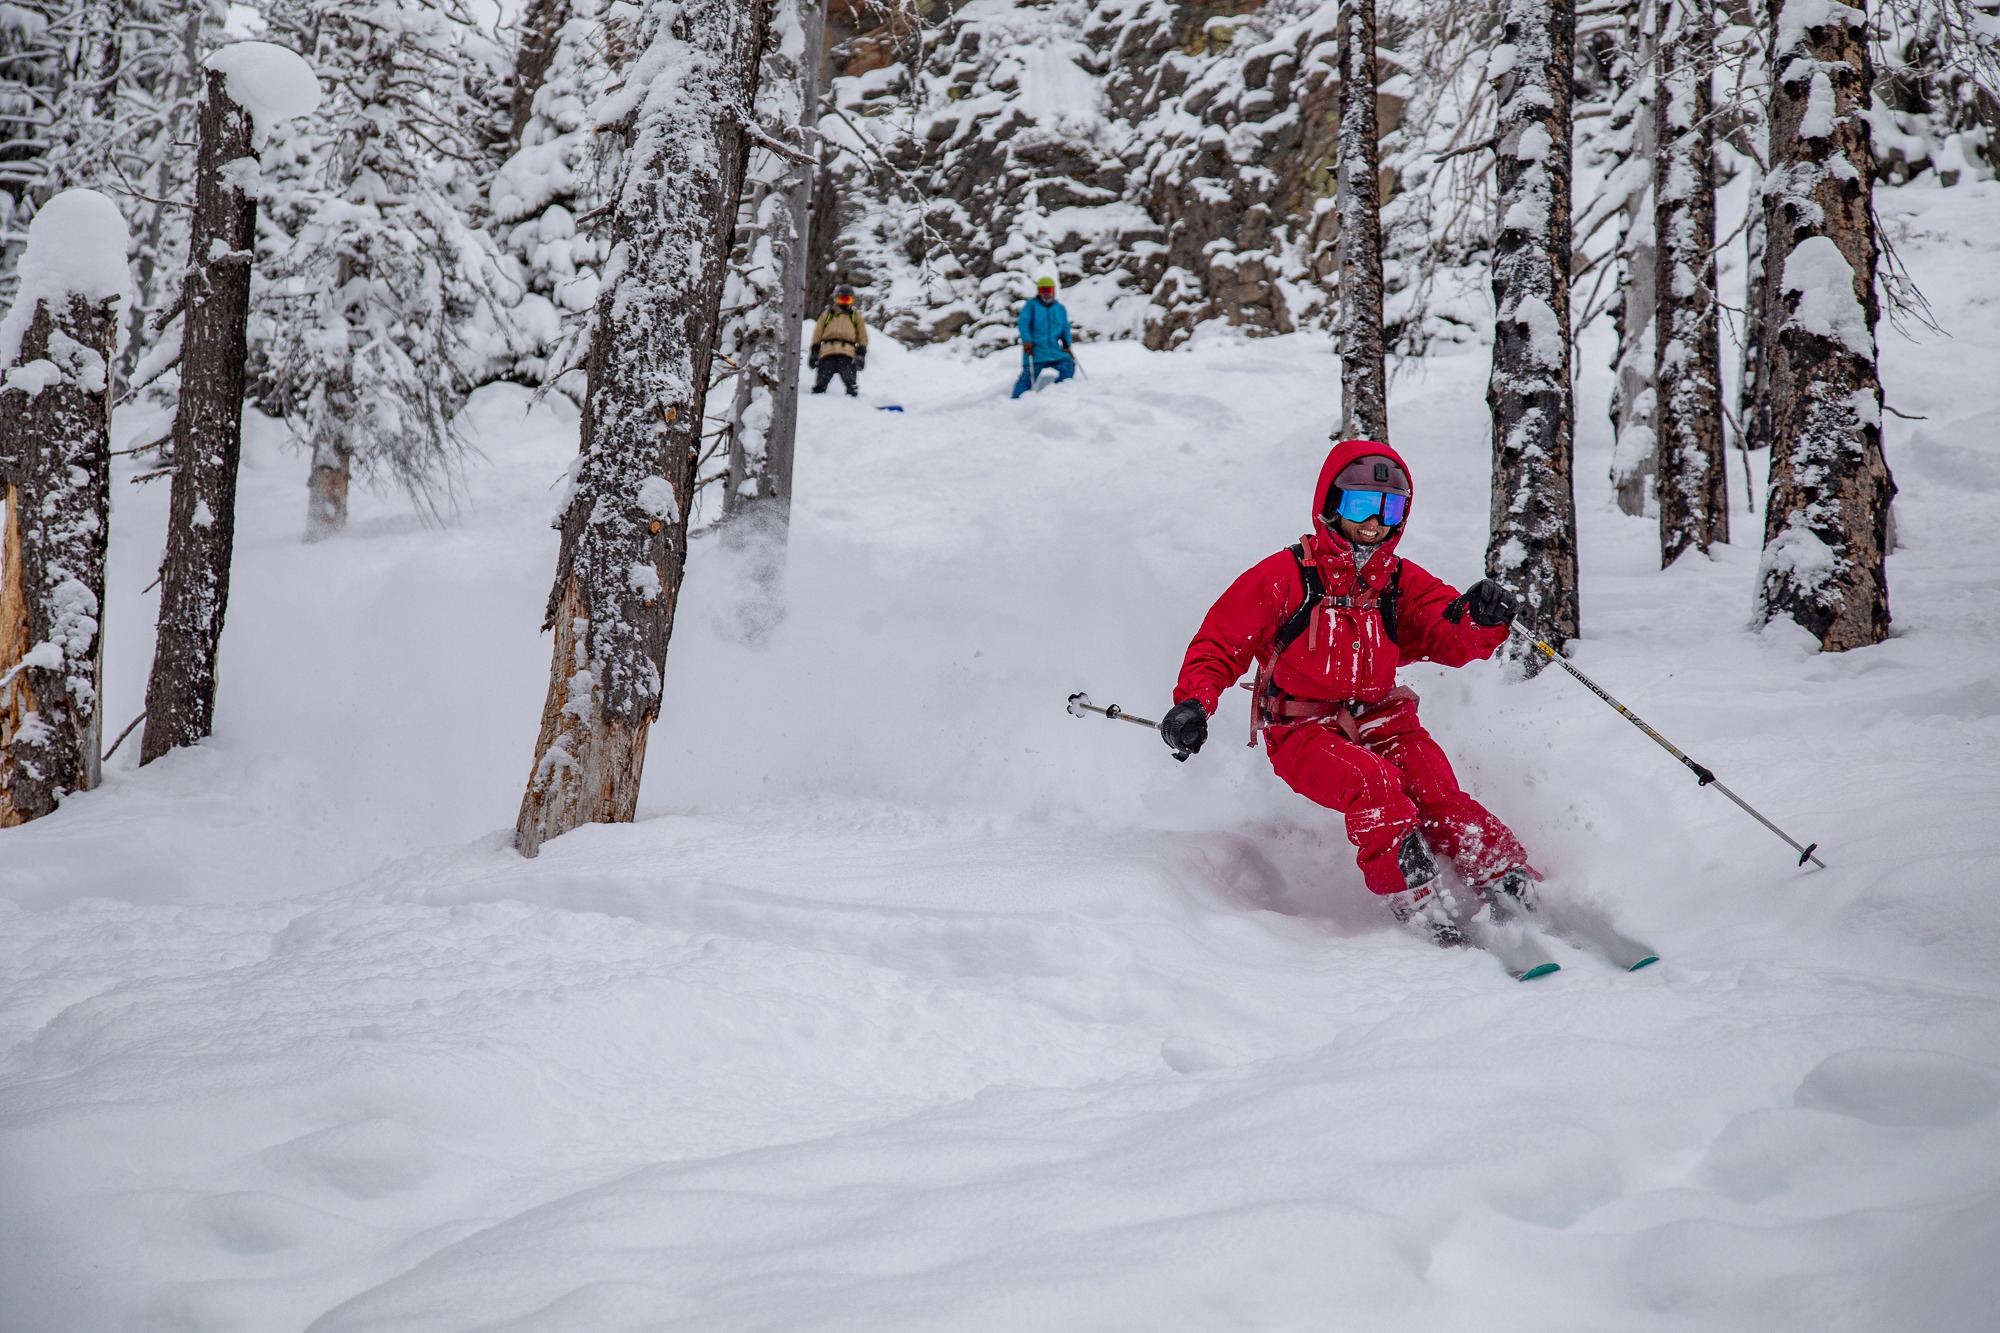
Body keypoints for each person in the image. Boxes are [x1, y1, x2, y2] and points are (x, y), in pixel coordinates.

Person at [1159, 438, 1536, 948]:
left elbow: (1447, 634)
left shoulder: (1398, 581)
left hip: (1384, 717)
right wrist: (1193, 702)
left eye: (1390, 508)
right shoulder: (1286, 576)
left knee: (1435, 790)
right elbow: (1220, 642)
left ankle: (1502, 875)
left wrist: (1480, 619)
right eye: (1361, 505)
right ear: (1331, 504)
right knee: (1376, 786)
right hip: (1301, 727)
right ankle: (1414, 895)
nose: (1375, 521)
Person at [1012, 277, 1075, 398]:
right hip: (1036, 351)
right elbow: (1023, 323)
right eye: (1043, 290)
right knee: (1027, 378)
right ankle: (1016, 401)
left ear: (1053, 290)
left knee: (1068, 366)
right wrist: (1027, 341)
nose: (1046, 293)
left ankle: (1055, 394)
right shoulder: (1031, 305)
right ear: (1039, 291)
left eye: (1049, 289)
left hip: (1054, 351)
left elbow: (1065, 327)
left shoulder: (1060, 308)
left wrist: (1067, 344)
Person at [809, 285, 867, 397]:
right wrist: (814, 351)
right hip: (828, 352)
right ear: (836, 299)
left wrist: (861, 354)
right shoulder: (827, 314)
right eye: (842, 299)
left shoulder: (855, 316)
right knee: (822, 380)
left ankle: (852, 402)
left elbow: (862, 337)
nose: (844, 303)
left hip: (847, 353)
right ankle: (817, 400)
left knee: (850, 381)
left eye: (847, 299)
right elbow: (817, 334)